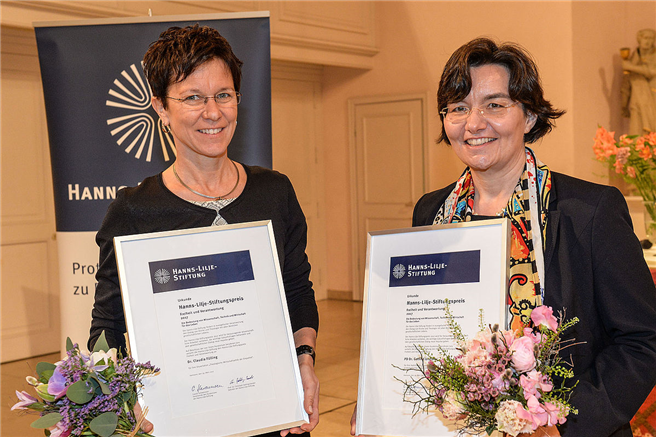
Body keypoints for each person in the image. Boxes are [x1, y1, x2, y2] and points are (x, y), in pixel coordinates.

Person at [352, 38, 656, 437]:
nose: (473, 123)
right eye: (458, 108)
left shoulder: (590, 211)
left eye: (494, 105)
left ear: (529, 116)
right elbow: (417, 331)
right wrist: (381, 400)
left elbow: (642, 340)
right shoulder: (430, 211)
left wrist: (561, 423)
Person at [89, 25, 319, 436]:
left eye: (223, 95)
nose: (212, 112)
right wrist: (127, 396)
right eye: (192, 97)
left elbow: (297, 289)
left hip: (271, 413)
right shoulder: (134, 210)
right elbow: (108, 325)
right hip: (180, 420)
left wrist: (304, 362)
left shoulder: (274, 191)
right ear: (160, 107)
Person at [621, 28, 656, 135]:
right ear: (639, 40)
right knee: (635, 134)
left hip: (653, 98)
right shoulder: (634, 58)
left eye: (651, 38)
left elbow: (651, 72)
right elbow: (626, 82)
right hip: (636, 100)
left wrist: (630, 66)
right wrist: (624, 104)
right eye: (645, 38)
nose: (648, 41)